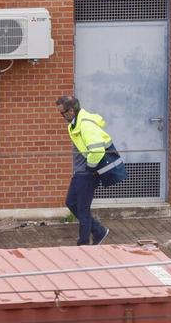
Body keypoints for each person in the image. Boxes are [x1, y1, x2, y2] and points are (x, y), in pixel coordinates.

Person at [56, 95, 119, 245]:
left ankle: (84, 244)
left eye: (62, 113)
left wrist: (90, 169)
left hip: (87, 173)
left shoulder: (85, 125)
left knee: (83, 209)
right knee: (71, 203)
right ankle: (98, 230)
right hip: (80, 172)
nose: (61, 116)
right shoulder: (75, 123)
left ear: (71, 111)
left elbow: (97, 151)